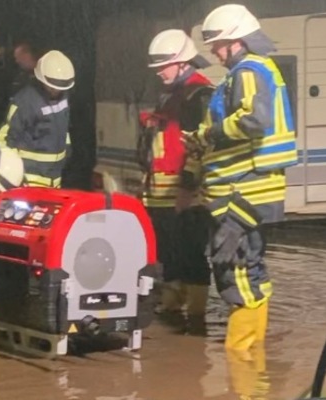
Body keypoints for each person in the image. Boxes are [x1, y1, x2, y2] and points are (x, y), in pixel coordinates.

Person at [181, 3, 298, 351]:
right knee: (241, 266)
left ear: (237, 41)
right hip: (243, 190)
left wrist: (211, 133)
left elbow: (253, 120)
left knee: (237, 268)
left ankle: (242, 360)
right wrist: (203, 140)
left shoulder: (249, 71)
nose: (214, 53)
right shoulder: (246, 73)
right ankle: (249, 358)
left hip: (244, 191)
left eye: (217, 45)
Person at [139, 29, 214, 335]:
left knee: (192, 253)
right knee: (170, 252)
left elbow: (200, 146)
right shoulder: (171, 94)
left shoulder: (200, 95)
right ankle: (172, 305)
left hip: (187, 195)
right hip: (161, 194)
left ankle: (196, 316)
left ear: (184, 62)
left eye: (164, 66)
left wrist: (187, 187)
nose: (159, 72)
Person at [0, 50, 74, 188]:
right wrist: (12, 173)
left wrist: (67, 150)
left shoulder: (63, 95)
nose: (56, 91)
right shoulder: (25, 101)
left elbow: (64, 126)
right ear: (41, 79)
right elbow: (5, 139)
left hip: (55, 177)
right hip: (29, 179)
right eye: (52, 86)